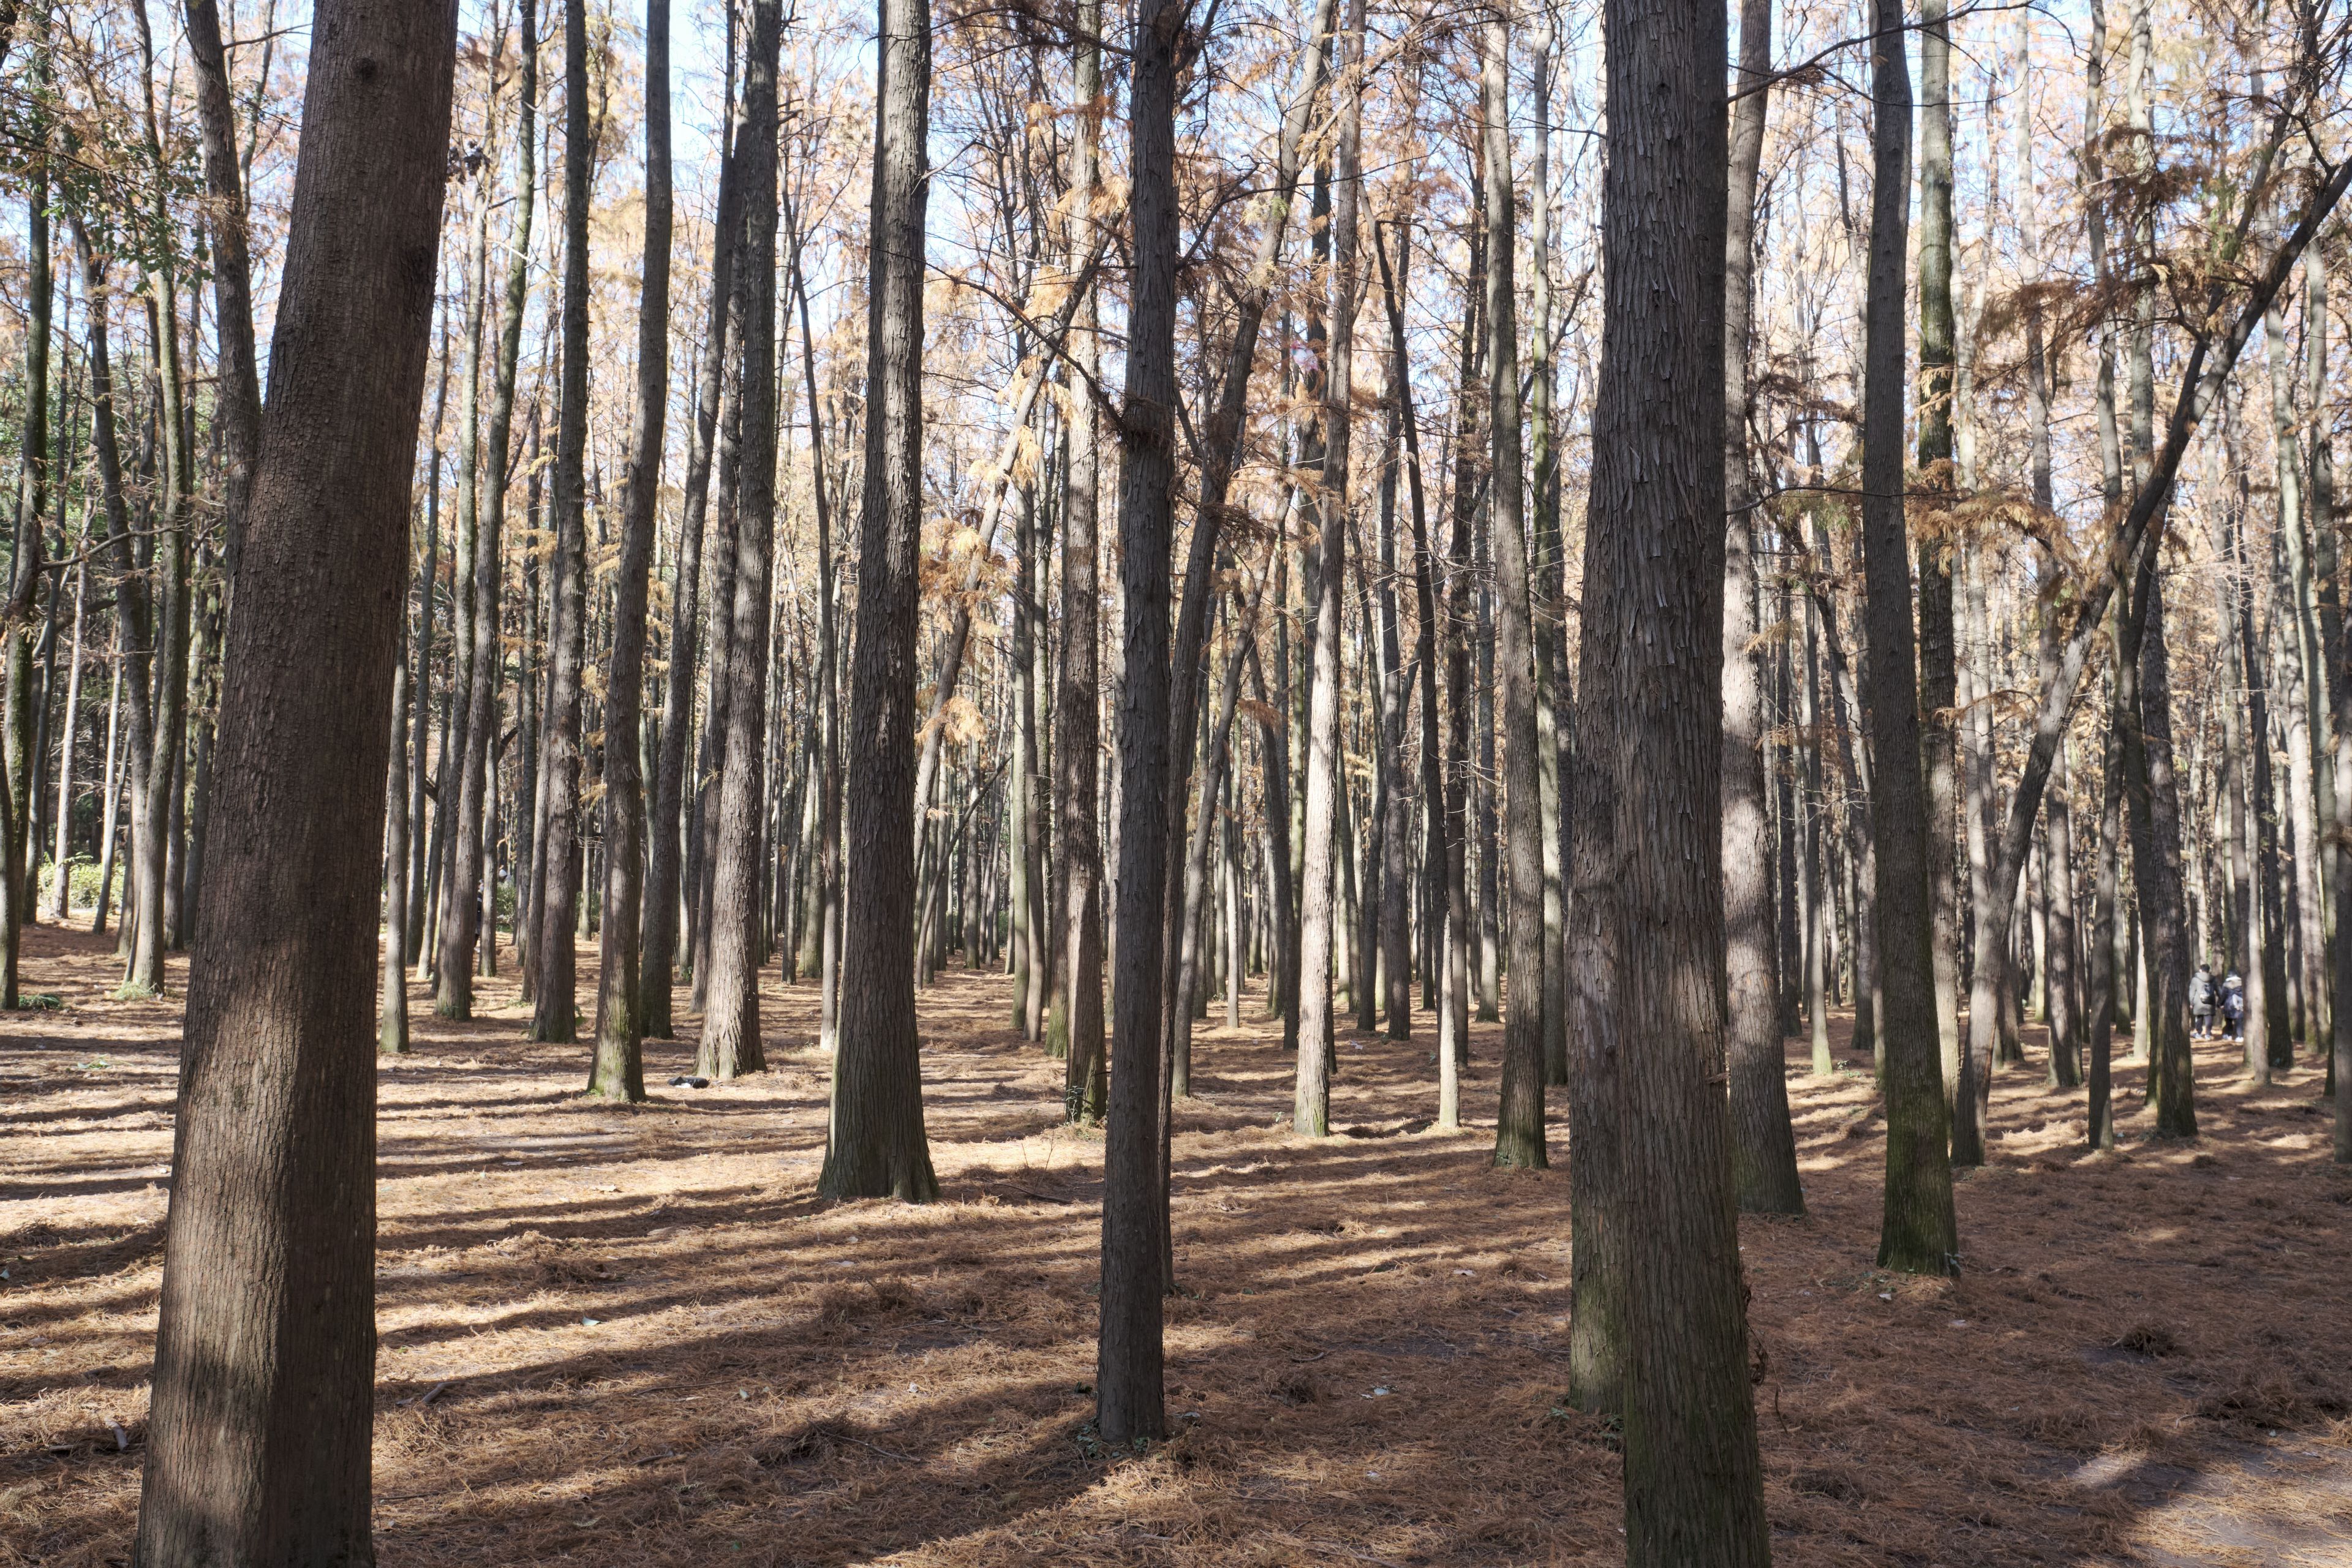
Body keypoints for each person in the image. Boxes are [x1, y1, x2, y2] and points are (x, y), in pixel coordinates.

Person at [2190, 963, 2215, 1039]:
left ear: (2201, 970)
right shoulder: (2213, 979)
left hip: (2198, 1002)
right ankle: (2208, 1034)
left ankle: (2199, 1034)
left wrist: (2192, 1002)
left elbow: (2192, 992)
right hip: (2210, 1001)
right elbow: (2217, 989)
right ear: (2208, 970)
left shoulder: (2195, 979)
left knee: (2199, 1018)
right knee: (2209, 1018)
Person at [2220, 970, 2245, 1041]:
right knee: (2239, 1021)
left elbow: (2223, 996)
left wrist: (2220, 1004)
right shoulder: (2243, 983)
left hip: (2229, 1005)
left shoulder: (2226, 984)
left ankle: (2229, 1035)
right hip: (2240, 1004)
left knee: (2228, 1021)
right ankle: (2240, 1036)